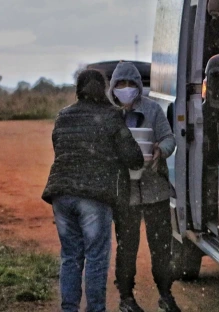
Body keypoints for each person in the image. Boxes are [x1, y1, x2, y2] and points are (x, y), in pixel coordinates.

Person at [42, 69, 144, 312]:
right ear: (103, 88)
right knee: (96, 258)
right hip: (95, 196)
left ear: (78, 89)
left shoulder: (63, 116)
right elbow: (133, 157)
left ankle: (69, 309)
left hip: (62, 194)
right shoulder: (111, 116)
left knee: (70, 256)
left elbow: (59, 147)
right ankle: (95, 309)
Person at [107, 62, 180, 312]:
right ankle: (126, 298)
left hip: (155, 190)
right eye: (120, 84)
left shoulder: (152, 109)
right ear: (113, 87)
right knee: (127, 247)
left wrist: (161, 150)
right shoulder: (108, 114)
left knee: (161, 247)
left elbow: (169, 138)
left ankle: (166, 294)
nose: (126, 89)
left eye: (130, 84)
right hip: (124, 194)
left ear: (138, 86)